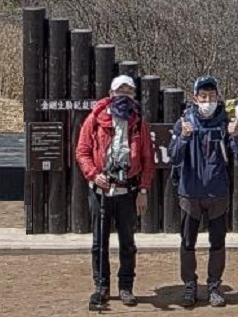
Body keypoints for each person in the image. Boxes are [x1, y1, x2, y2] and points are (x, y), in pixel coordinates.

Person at [76, 75, 154, 311]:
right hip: (100, 191)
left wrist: (143, 189)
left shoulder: (139, 122)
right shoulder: (95, 119)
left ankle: (126, 286)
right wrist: (92, 174)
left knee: (127, 242)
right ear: (111, 94)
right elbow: (82, 151)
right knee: (99, 242)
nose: (124, 96)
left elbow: (147, 160)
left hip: (127, 192)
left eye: (129, 92)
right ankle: (101, 286)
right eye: (120, 91)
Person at [169, 76, 238, 308]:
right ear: (195, 98)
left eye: (212, 96)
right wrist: (183, 137)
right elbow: (173, 157)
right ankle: (189, 286)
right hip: (190, 194)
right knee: (187, 242)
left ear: (218, 98)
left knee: (217, 243)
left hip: (218, 194)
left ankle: (214, 286)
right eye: (203, 96)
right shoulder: (184, 122)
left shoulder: (225, 123)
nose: (208, 100)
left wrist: (236, 136)